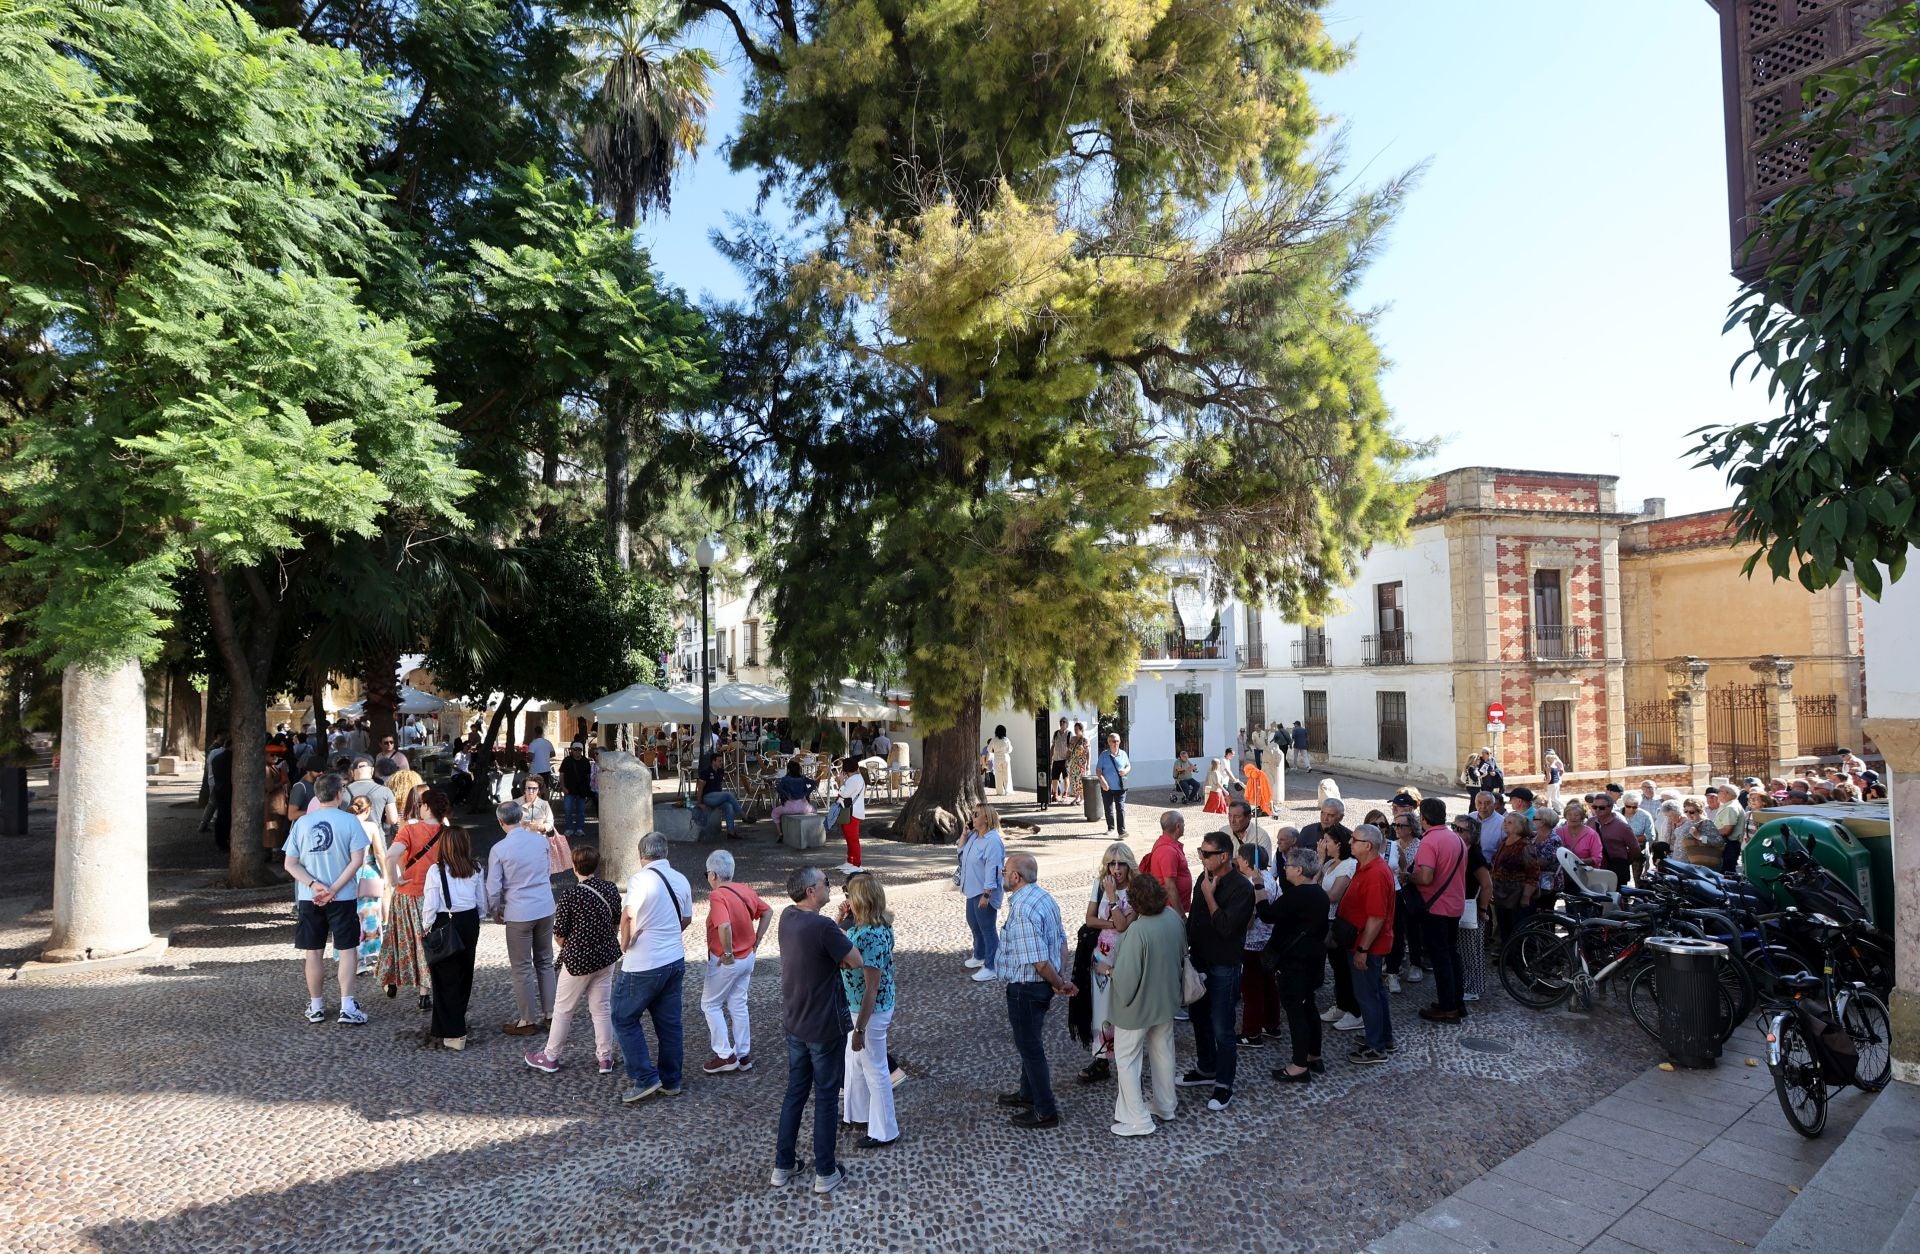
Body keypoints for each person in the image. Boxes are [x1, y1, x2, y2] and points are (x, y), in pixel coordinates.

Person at [772, 866, 865, 1195]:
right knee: (825, 1097)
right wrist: (839, 930)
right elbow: (854, 959)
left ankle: (783, 1165)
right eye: (826, 883)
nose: (831, 886)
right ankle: (825, 1171)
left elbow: (819, 946)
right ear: (811, 891)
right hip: (824, 1025)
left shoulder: (788, 916)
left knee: (795, 1092)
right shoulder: (824, 927)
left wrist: (835, 926)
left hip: (795, 1021)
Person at [524, 844, 624, 1075]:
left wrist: (570, 946)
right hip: (606, 956)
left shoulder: (570, 895)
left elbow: (559, 933)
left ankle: (550, 1057)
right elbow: (616, 921)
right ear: (596, 865)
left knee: (563, 1009)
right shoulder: (610, 888)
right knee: (601, 1008)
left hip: (578, 960)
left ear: (574, 866)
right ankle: (605, 1058)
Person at [994, 852, 1077, 1128]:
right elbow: (1062, 943)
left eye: (1005, 871)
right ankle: (1027, 1093)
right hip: (1038, 987)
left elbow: (1040, 961)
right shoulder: (1044, 898)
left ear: (1016, 877)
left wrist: (1056, 982)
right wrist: (1060, 978)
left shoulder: (1023, 910)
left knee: (1030, 1049)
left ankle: (1045, 1110)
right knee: (1029, 1044)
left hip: (1026, 990)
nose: (1003, 874)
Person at [284, 773, 372, 1025]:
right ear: (339, 794)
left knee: (313, 953)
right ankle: (347, 1005)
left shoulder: (302, 824)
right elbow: (357, 861)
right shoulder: (350, 821)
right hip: (342, 896)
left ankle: (316, 1005)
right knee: (347, 950)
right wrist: (333, 889)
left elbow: (290, 864)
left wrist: (314, 884)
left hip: (309, 897)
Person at [614, 832, 692, 1103]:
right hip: (674, 959)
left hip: (643, 964)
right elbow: (686, 919)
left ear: (641, 855)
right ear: (666, 852)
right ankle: (671, 1080)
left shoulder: (640, 879)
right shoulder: (680, 879)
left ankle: (645, 1077)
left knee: (623, 1017)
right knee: (669, 1024)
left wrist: (626, 941)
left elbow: (629, 914)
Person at [1181, 829, 1253, 1111]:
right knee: (1198, 1018)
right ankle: (1206, 1067)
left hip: (1224, 965)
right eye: (1200, 852)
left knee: (1222, 1026)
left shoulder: (1241, 888)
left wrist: (1210, 896)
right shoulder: (1204, 878)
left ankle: (1224, 1083)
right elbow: (1195, 920)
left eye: (1206, 853)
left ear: (1223, 856)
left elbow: (1225, 927)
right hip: (1199, 960)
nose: (1202, 857)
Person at [1107, 872, 1182, 1136]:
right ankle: (1165, 1105)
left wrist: (1107, 973)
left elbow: (1126, 979)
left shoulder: (1137, 931)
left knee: (1127, 1058)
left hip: (1138, 1008)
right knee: (1163, 1052)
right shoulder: (1172, 917)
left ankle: (1137, 1118)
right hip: (1166, 1001)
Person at [835, 872, 897, 1148]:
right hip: (860, 1007)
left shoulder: (870, 936)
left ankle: (885, 1131)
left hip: (869, 1012)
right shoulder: (870, 926)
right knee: (854, 1062)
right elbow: (839, 943)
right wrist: (839, 921)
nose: (845, 898)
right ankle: (857, 1115)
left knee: (875, 1068)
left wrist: (860, 1028)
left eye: (849, 895)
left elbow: (871, 988)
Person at [487, 800, 558, 1037]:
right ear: (521, 817)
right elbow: (547, 870)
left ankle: (527, 1019)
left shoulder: (499, 849)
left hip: (519, 911)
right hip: (545, 906)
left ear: (500, 822)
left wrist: (495, 910)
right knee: (545, 961)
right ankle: (551, 1014)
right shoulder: (540, 841)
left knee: (522, 968)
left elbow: (494, 887)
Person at [700, 848, 774, 1075]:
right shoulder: (745, 890)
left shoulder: (717, 895)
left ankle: (724, 1055)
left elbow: (723, 925)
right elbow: (768, 911)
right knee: (738, 1003)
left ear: (713, 875)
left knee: (710, 1004)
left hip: (729, 961)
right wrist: (758, 939)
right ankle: (743, 1054)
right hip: (748, 957)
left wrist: (728, 953)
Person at [1259, 846, 1329, 1083]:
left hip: (1295, 963)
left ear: (1298, 869)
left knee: (1297, 1012)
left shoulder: (1297, 895)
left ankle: (1299, 1065)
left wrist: (1259, 888)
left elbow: (1267, 914)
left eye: (1288, 865)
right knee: (1309, 1006)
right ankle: (1313, 1054)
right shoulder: (1318, 893)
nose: (1285, 868)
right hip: (1314, 959)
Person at [1075, 841, 1137, 1080]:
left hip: (1125, 958)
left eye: (1121, 863)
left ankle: (1125, 1057)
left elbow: (1125, 926)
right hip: (1100, 958)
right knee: (1102, 1010)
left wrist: (1112, 899)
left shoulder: (1135, 889)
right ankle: (1101, 1060)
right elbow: (1090, 920)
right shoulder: (1099, 886)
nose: (1116, 869)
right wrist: (1113, 922)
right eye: (1112, 863)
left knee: (1123, 1008)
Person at [420, 820, 485, 1049]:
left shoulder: (435, 871)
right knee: (464, 975)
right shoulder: (476, 867)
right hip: (469, 921)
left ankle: (455, 1032)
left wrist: (425, 927)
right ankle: (446, 1026)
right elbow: (481, 903)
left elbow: (430, 903)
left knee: (444, 978)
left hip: (443, 921)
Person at [1340, 824, 1396, 1063]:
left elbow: (1376, 917)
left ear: (1368, 846)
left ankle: (1376, 1047)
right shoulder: (1368, 868)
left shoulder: (1374, 874)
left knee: (1367, 995)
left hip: (1366, 945)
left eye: (1354, 840)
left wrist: (1363, 949)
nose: (1350, 842)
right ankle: (1383, 1036)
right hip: (1364, 941)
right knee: (1375, 992)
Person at [1409, 798, 1466, 1025]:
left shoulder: (1430, 841)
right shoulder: (1456, 838)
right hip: (1455, 905)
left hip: (1435, 907)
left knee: (1440, 957)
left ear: (1423, 818)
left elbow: (1425, 877)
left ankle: (1447, 1007)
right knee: (1452, 954)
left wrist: (1407, 876)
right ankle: (1456, 1001)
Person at [1235, 844, 1280, 1048]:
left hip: (1253, 942)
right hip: (1269, 939)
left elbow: (1249, 919)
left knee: (1252, 988)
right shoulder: (1269, 877)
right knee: (1268, 984)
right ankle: (1271, 1024)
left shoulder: (1253, 883)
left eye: (1239, 858)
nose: (1237, 861)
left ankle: (1251, 1033)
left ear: (1247, 861)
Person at [1318, 827, 1361, 1033]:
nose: (1323, 844)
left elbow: (1333, 895)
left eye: (1327, 840)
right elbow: (1315, 881)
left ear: (1338, 844)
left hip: (1339, 922)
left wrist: (1314, 893)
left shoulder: (1349, 865)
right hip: (1326, 920)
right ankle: (1342, 1006)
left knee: (1344, 968)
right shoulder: (1328, 863)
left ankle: (1354, 1011)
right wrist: (1319, 860)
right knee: (1336, 968)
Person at [958, 804, 1006, 980]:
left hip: (983, 891)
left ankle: (992, 966)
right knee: (974, 924)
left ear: (986, 818)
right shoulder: (974, 836)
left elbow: (993, 869)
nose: (972, 817)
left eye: (976, 814)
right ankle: (979, 955)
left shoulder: (992, 841)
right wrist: (964, 833)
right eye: (972, 814)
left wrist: (987, 894)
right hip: (971, 889)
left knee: (987, 928)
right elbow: (960, 851)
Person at [1453, 814, 1493, 1003]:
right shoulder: (1459, 849)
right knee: (1461, 949)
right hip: (1459, 905)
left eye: (1460, 829)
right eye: (1454, 827)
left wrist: (1483, 910)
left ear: (1472, 834)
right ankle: (1464, 984)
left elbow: (1487, 885)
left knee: (1471, 950)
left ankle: (1473, 988)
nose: (1455, 831)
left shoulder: (1475, 855)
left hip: (1472, 908)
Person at [1142, 810, 1193, 916]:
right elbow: (1170, 886)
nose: (1184, 826)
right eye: (1183, 824)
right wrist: (1182, 917)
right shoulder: (1168, 851)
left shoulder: (1164, 842)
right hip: (1170, 911)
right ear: (1178, 826)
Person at [1589, 793, 1641, 889]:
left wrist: (1623, 863)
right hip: (1596, 870)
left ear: (1610, 807)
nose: (1597, 810)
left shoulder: (1622, 826)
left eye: (1601, 807)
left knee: (1617, 900)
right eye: (1594, 807)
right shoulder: (1590, 822)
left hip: (1616, 870)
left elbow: (1635, 849)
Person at [343, 755, 399, 836]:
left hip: (352, 839)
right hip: (378, 838)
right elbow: (393, 819)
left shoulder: (343, 792)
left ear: (352, 772)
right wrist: (384, 823)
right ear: (372, 771)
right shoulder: (386, 791)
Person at [696, 751, 742, 839]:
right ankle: (743, 815)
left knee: (729, 806)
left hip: (717, 797)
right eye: (719, 761)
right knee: (729, 794)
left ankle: (731, 832)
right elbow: (700, 788)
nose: (722, 763)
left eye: (722, 761)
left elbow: (720, 785)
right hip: (708, 797)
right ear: (713, 762)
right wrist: (699, 803)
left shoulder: (721, 771)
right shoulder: (705, 772)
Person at [1095, 732, 1131, 837]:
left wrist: (1125, 771)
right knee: (1108, 808)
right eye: (1113, 741)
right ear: (1109, 742)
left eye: (1117, 741)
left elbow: (1128, 766)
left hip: (1120, 786)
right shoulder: (1104, 755)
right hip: (1107, 787)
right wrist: (1103, 781)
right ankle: (1110, 828)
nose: (1115, 743)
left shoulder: (1123, 754)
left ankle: (1122, 831)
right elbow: (1098, 770)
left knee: (1120, 808)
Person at [834, 756, 866, 874]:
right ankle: (851, 861)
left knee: (852, 839)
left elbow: (843, 793)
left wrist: (841, 781)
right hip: (852, 812)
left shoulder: (853, 780)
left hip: (852, 813)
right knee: (850, 838)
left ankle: (856, 863)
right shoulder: (856, 778)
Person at [559, 743, 592, 839]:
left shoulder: (585, 761)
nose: (577, 751)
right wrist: (563, 787)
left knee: (581, 811)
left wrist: (587, 790)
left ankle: (579, 828)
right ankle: (569, 828)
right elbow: (562, 774)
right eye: (575, 749)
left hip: (581, 791)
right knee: (567, 810)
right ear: (571, 750)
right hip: (569, 790)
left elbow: (588, 777)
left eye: (579, 750)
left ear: (581, 751)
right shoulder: (567, 760)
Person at [769, 759, 814, 830]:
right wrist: (806, 793)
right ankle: (811, 830)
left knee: (774, 813)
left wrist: (786, 795)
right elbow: (814, 783)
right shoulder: (803, 778)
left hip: (789, 808)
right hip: (804, 807)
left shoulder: (785, 779)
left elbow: (778, 788)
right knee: (814, 810)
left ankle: (780, 833)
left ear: (789, 770)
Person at [1712, 783, 1746, 874]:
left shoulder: (1731, 807)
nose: (1717, 794)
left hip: (1729, 845)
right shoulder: (1728, 806)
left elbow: (1726, 830)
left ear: (1726, 793)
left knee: (1726, 872)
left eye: (1719, 791)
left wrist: (1710, 832)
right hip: (1728, 844)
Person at [1226, 799, 1271, 866]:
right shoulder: (1224, 832)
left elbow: (1262, 865)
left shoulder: (1261, 836)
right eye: (1230, 816)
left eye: (1237, 817)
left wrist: (1230, 862)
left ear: (1249, 817)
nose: (1232, 821)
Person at [1049, 717, 1073, 803]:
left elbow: (1071, 748)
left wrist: (1068, 760)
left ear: (1067, 724)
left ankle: (1065, 794)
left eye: (1064, 722)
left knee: (1065, 777)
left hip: (1064, 760)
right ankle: (1055, 794)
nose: (1062, 723)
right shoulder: (1056, 733)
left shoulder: (1069, 734)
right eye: (1061, 722)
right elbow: (1053, 746)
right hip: (1056, 759)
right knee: (1054, 778)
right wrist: (1050, 757)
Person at [987, 725, 1014, 799]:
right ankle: (1007, 790)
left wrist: (994, 751)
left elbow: (989, 749)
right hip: (1005, 758)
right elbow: (1010, 750)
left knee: (998, 775)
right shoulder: (1006, 739)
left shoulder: (993, 740)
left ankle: (999, 791)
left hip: (997, 759)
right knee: (1007, 774)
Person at [1067, 722, 1092, 802]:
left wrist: (1088, 764)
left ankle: (1082, 798)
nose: (1075, 731)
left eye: (1077, 729)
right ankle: (1076, 797)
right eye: (1074, 729)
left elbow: (1088, 752)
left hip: (1081, 764)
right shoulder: (1072, 739)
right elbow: (1069, 751)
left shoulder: (1085, 740)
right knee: (1074, 781)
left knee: (1081, 781)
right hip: (1073, 764)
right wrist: (1067, 760)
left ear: (1081, 729)